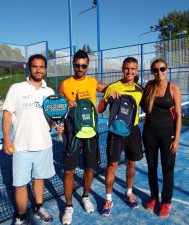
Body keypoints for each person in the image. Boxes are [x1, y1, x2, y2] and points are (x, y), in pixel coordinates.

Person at [2, 54, 63, 225]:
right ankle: (21, 217)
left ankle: (39, 207)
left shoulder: (49, 92)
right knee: (20, 185)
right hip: (21, 147)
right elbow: (7, 114)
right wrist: (7, 139)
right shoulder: (17, 88)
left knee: (39, 179)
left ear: (45, 69)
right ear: (29, 68)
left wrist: (57, 125)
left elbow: (51, 120)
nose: (38, 70)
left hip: (44, 145)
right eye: (35, 66)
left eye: (41, 67)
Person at [58, 49, 107, 225]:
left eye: (83, 66)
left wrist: (121, 86)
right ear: (73, 65)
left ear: (87, 66)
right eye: (77, 65)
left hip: (90, 133)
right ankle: (69, 206)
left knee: (89, 168)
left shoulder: (93, 82)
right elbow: (59, 102)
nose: (80, 68)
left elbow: (108, 89)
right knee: (69, 171)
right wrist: (65, 102)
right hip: (72, 133)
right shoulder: (65, 84)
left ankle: (85, 196)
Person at [98, 57, 143, 217]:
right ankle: (108, 199)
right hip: (116, 133)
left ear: (136, 70)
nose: (129, 71)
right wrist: (108, 98)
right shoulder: (113, 87)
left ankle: (129, 192)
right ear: (122, 69)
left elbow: (149, 108)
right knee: (112, 167)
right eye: (127, 68)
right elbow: (100, 109)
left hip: (134, 132)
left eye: (133, 69)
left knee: (131, 165)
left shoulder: (140, 90)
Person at [140, 59, 181, 218]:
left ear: (167, 69)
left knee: (167, 168)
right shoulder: (149, 87)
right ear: (152, 71)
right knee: (151, 167)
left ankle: (166, 201)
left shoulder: (173, 88)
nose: (159, 72)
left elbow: (178, 116)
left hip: (168, 134)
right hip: (149, 134)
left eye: (162, 69)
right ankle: (153, 197)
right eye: (156, 70)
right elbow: (142, 104)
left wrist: (176, 139)